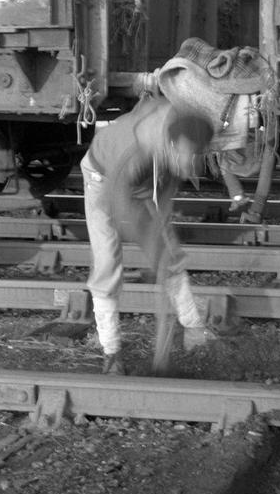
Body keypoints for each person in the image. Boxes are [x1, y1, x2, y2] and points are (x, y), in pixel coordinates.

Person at [81, 94, 215, 375]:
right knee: (107, 262)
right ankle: (111, 353)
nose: (190, 165)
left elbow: (164, 198)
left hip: (145, 179)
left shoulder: (183, 139)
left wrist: (161, 249)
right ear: (172, 146)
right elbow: (118, 205)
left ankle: (194, 329)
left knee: (169, 252)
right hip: (104, 177)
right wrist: (145, 237)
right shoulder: (134, 151)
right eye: (187, 157)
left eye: (195, 158)